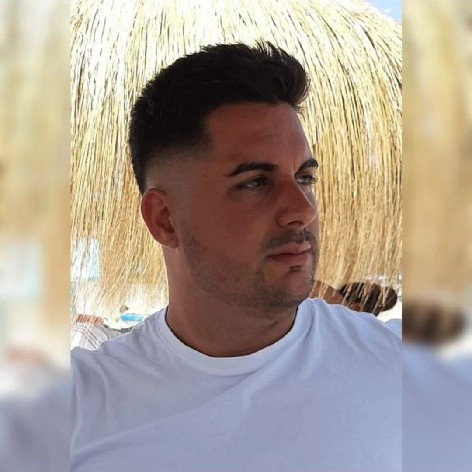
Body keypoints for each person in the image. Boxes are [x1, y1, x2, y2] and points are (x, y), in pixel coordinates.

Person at [71, 42, 401, 472]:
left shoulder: (401, 369)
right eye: (254, 182)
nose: (302, 209)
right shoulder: (75, 413)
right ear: (165, 219)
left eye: (304, 177)